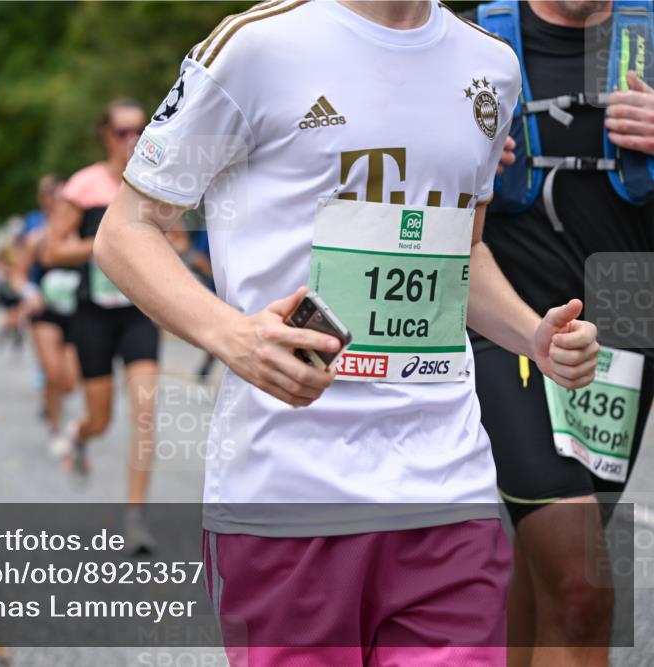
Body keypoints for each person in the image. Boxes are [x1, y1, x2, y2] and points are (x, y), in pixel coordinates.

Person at [95, 0, 601, 663]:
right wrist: (233, 335)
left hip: (446, 488)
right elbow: (125, 229)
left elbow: (458, 253)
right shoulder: (259, 48)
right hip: (291, 491)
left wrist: (531, 332)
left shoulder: (491, 66)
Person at [468, 1, 654, 664]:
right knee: (581, 588)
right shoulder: (470, 43)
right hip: (509, 326)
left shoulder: (648, 35)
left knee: (549, 564)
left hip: (628, 335)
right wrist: (454, 160)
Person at [42, 99, 160, 554]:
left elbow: (172, 244)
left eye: (139, 131)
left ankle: (135, 518)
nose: (131, 140)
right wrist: (109, 243)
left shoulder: (154, 183)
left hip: (137, 314)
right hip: (92, 315)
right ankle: (80, 433)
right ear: (105, 136)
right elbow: (53, 251)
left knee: (146, 415)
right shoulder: (84, 186)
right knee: (102, 419)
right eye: (122, 132)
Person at [21, 174, 82, 454]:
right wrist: (29, 293)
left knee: (69, 381)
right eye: (49, 195)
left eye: (60, 196)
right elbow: (17, 272)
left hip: (77, 310)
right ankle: (56, 428)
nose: (55, 201)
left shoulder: (82, 229)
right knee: (52, 371)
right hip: (45, 310)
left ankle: (51, 398)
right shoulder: (36, 233)